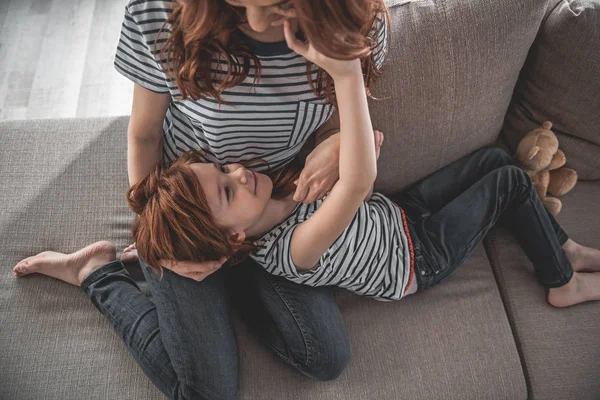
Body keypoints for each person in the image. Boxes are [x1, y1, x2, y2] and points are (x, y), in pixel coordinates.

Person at [12, 0, 390, 399]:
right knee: (207, 393)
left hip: (272, 213)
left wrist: (337, 139)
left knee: (326, 356)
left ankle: (231, 271)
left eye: (281, 5)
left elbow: (341, 116)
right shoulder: (159, 12)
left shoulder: (357, 23)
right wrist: (160, 236)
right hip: (192, 210)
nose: (259, 22)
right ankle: (95, 271)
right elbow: (144, 136)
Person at [123, 20, 600, 309]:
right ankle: (562, 282)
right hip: (416, 258)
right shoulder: (291, 250)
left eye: (222, 170)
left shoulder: (280, 190)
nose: (238, 172)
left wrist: (348, 148)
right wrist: (344, 73)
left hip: (398, 215)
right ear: (233, 239)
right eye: (228, 190)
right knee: (512, 182)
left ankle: (564, 249)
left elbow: (356, 179)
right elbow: (355, 186)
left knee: (495, 158)